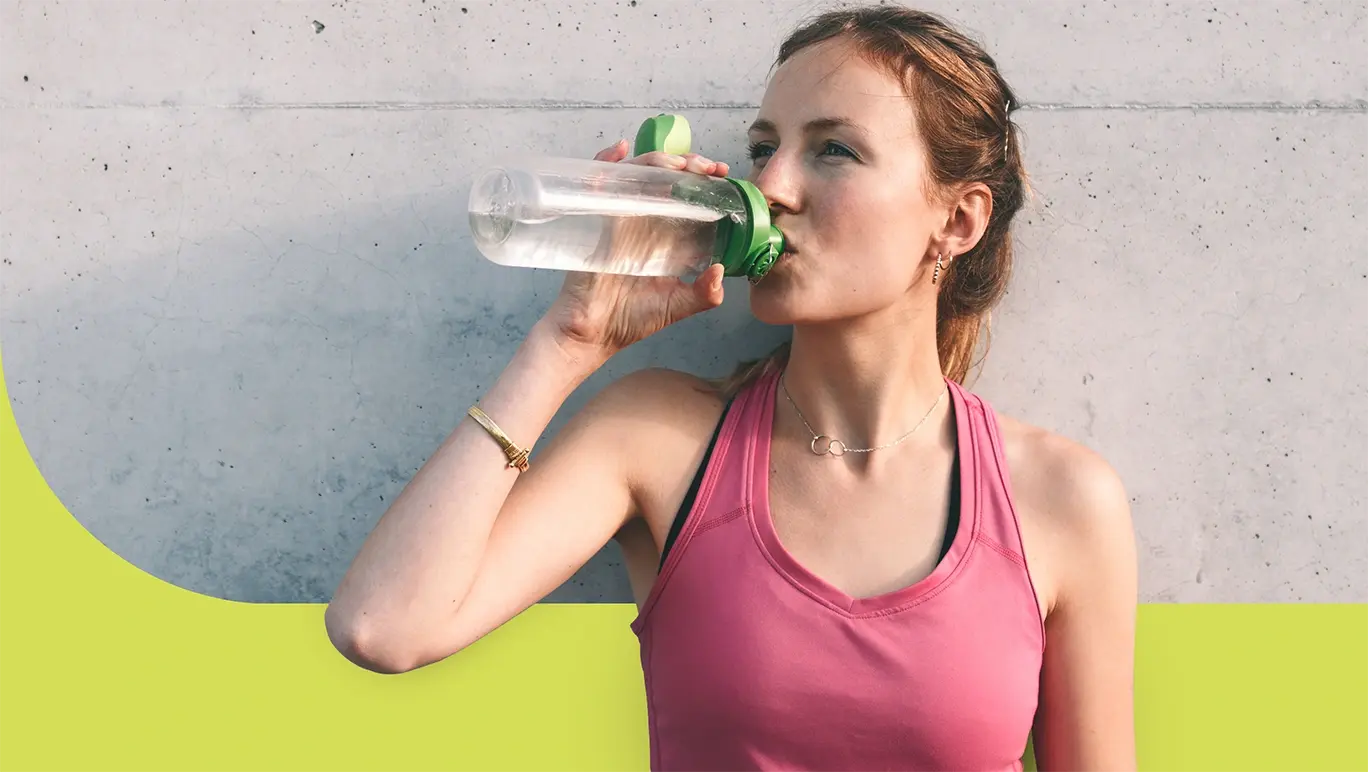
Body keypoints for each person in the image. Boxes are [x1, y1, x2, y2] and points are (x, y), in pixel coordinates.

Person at [325, 5, 1138, 770]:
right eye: (762, 149)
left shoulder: (1062, 499)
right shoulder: (658, 438)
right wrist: (568, 342)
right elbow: (381, 628)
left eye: (833, 150)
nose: (770, 187)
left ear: (957, 221)